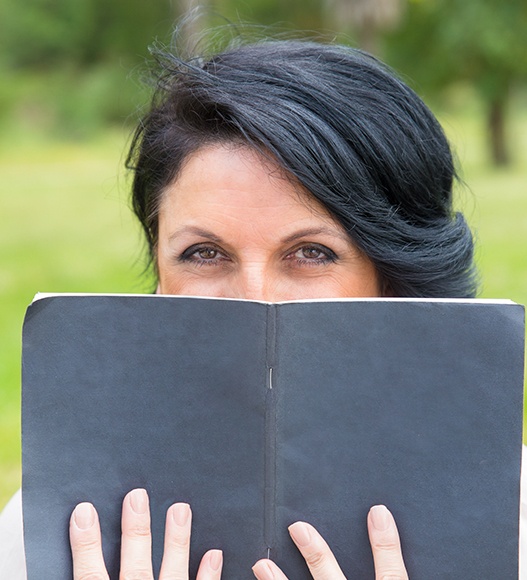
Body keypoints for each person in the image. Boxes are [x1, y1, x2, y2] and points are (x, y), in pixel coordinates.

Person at [0, 37, 524, 578]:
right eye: (203, 253)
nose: (254, 299)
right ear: (158, 275)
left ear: (394, 276)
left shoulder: (511, 519)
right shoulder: (55, 530)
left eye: (311, 253)